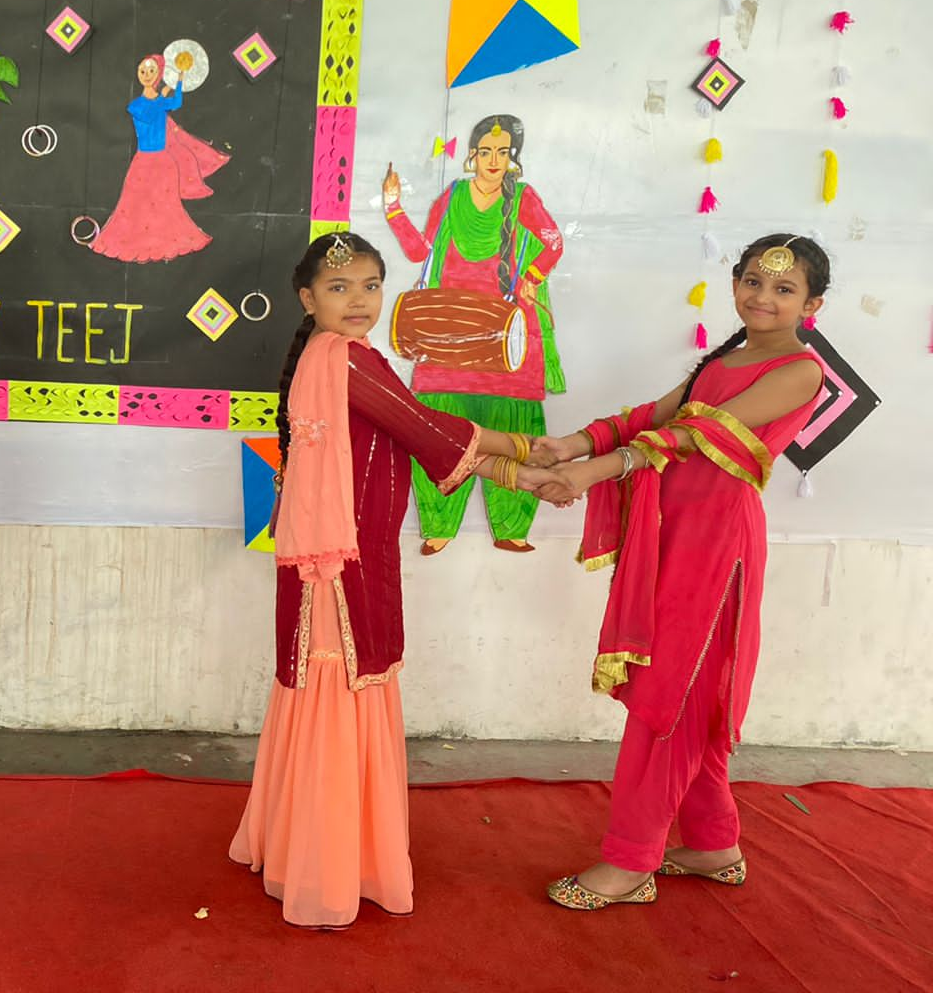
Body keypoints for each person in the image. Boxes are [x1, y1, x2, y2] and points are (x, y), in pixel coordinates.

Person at [228, 231, 574, 928]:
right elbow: (422, 425)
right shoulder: (348, 360)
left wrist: (516, 472)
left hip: (330, 555)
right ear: (307, 296)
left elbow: (414, 434)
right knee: (345, 687)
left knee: (327, 689)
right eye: (337, 288)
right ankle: (327, 872)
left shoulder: (328, 359)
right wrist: (524, 449)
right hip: (341, 564)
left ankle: (304, 850)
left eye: (369, 286)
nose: (357, 301)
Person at [537, 234, 828, 911]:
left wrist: (596, 469)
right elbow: (657, 416)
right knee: (686, 696)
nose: (764, 296)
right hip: (677, 535)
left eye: (784, 290)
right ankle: (712, 843)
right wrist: (574, 443)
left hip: (716, 548)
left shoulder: (800, 370)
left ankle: (630, 862)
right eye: (753, 280)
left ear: (812, 304)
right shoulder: (729, 356)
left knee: (669, 699)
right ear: (733, 285)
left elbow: (698, 434)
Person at [383, 114, 566, 553]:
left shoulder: (523, 197)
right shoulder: (453, 196)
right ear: (472, 154)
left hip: (509, 329)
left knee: (510, 423)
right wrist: (392, 208)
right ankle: (439, 525)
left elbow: (554, 241)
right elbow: (418, 251)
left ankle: (511, 528)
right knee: (441, 420)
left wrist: (534, 275)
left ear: (513, 157)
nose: (493, 160)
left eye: (503, 152)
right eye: (486, 151)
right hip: (450, 327)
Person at [91, 54, 228, 263]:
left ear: (159, 74)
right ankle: (134, 242)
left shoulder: (163, 101)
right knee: (133, 205)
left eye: (152, 71)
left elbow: (177, 101)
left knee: (166, 207)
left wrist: (180, 79)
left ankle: (163, 241)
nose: (147, 75)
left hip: (163, 161)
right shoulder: (136, 105)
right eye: (143, 71)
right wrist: (162, 97)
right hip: (143, 160)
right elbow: (148, 113)